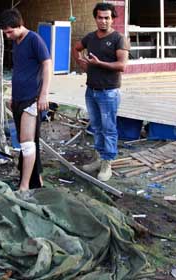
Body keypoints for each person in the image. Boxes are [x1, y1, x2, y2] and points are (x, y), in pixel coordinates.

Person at [72, 3, 128, 182]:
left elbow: (122, 66)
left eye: (107, 17)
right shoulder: (90, 37)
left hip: (109, 91)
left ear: (112, 18)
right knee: (95, 127)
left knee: (108, 129)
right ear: (95, 18)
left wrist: (98, 64)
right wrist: (80, 61)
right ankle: (99, 158)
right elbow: (76, 47)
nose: (103, 21)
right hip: (91, 90)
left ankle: (107, 162)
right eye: (100, 17)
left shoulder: (119, 38)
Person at [0, 9, 52, 192]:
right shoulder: (17, 42)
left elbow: (47, 64)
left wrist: (44, 94)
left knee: (27, 143)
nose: (7, 35)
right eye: (5, 32)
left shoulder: (34, 39)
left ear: (19, 25)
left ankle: (24, 187)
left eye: (9, 31)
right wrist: (13, 96)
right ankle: (36, 181)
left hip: (31, 98)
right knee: (26, 142)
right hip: (18, 98)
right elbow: (18, 71)